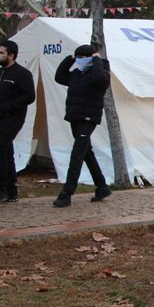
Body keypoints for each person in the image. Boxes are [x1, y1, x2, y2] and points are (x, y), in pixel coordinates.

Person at [52, 44, 112, 207]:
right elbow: (59, 77)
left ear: (92, 58)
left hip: (89, 118)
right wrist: (70, 59)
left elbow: (99, 80)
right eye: (77, 58)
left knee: (77, 154)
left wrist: (98, 61)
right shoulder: (76, 74)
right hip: (75, 117)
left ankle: (67, 192)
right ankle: (102, 187)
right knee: (86, 153)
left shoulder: (101, 73)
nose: (79, 61)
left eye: (82, 58)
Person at [0, 40, 36, 203]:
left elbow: (29, 96)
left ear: (11, 55)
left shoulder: (22, 74)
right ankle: (11, 189)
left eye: (1, 53)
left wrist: (10, 106)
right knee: (6, 152)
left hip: (12, 118)